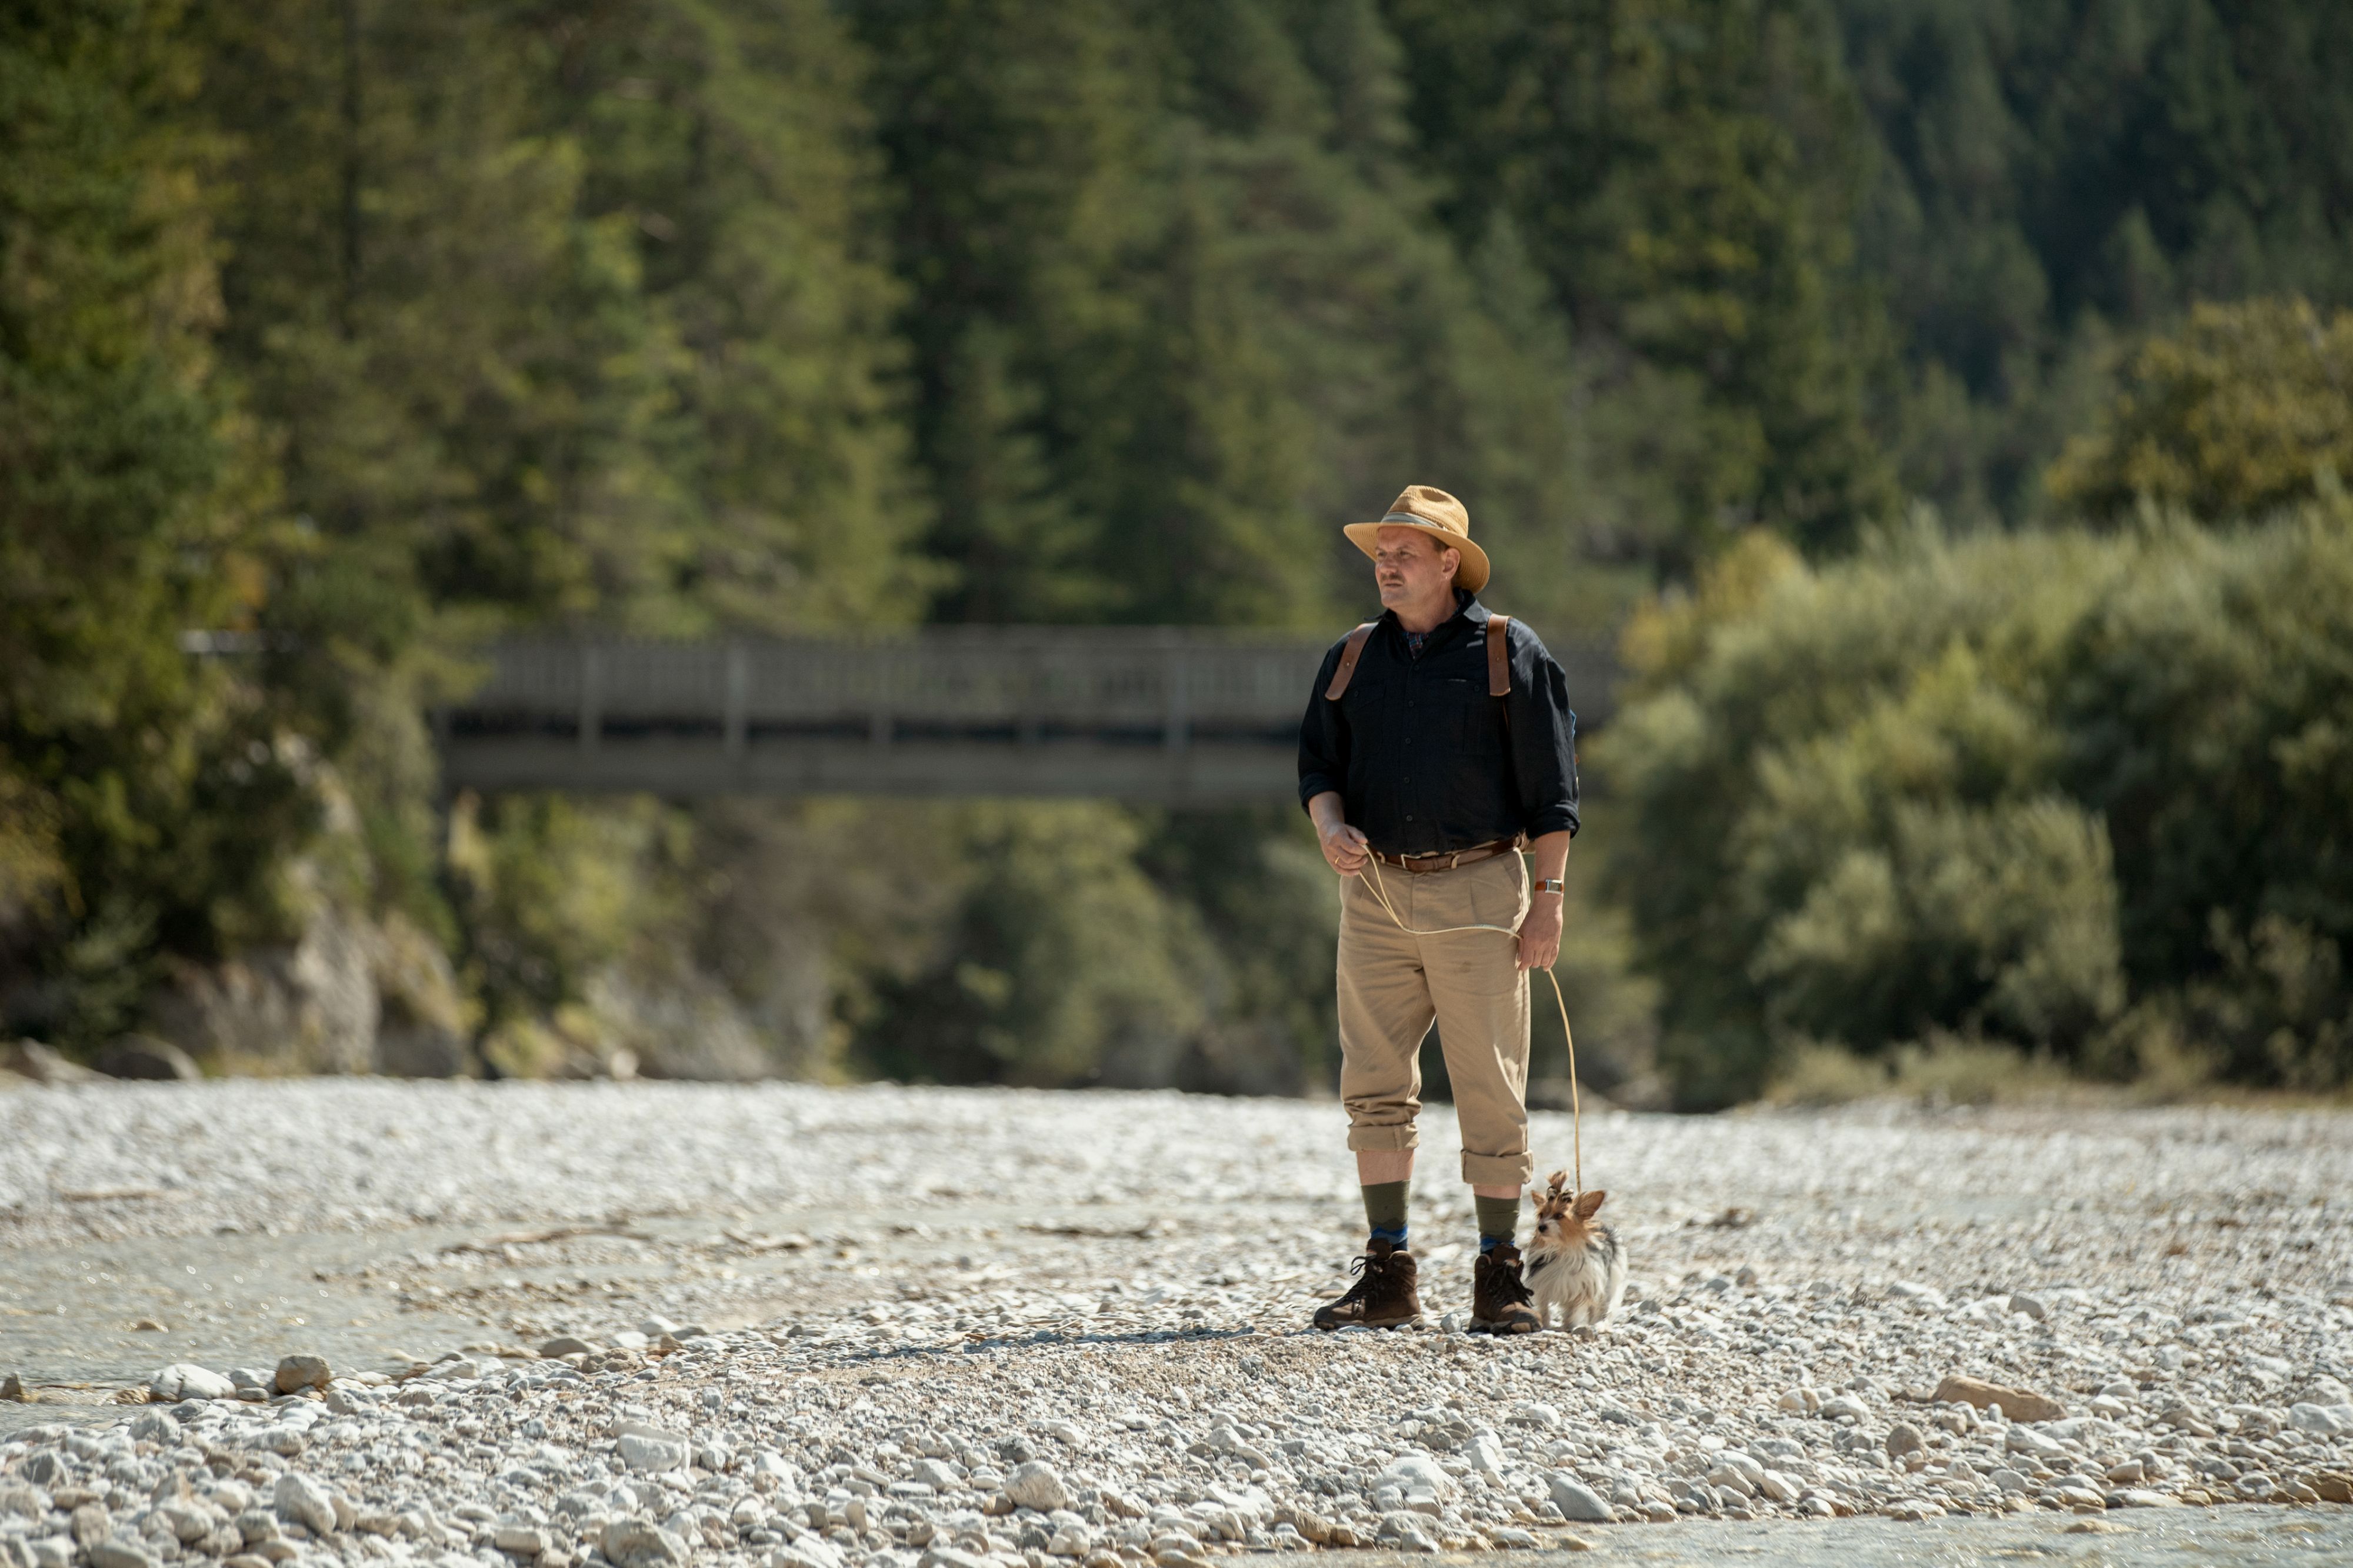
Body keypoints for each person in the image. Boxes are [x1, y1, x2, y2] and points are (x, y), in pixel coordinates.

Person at [1296, 485, 1579, 1335]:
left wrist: (1549, 900)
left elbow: (1555, 794)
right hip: (1375, 894)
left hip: (1483, 888)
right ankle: (1388, 1274)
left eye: (1405, 554)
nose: (1386, 566)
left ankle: (1499, 1278)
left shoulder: (1510, 651)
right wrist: (1331, 827)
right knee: (1374, 1084)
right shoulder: (1352, 655)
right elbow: (1318, 767)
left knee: (1491, 1087)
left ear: (1450, 562)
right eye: (1381, 554)